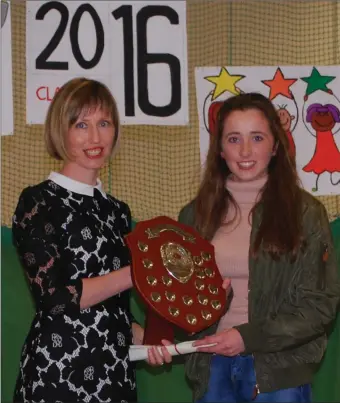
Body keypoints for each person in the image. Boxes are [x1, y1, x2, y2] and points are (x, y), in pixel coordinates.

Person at [12, 77, 170, 403]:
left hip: (114, 376)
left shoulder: (118, 212)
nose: (95, 137)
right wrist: (135, 272)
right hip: (56, 374)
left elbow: (116, 311)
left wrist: (148, 340)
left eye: (104, 123)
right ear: (61, 131)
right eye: (81, 124)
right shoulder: (38, 202)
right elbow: (55, 298)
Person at [178, 93, 340, 403]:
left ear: (275, 146)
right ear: (220, 150)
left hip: (279, 375)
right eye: (234, 139)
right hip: (213, 369)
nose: (246, 150)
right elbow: (182, 300)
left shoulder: (306, 213)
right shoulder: (194, 215)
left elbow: (319, 304)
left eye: (257, 137)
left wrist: (247, 337)